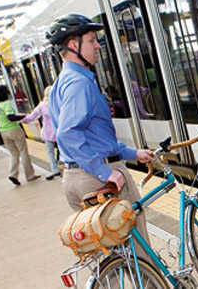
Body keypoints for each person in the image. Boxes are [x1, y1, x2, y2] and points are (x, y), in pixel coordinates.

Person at [46, 14, 154, 245]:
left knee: (107, 254)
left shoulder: (61, 83)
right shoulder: (79, 83)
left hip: (74, 177)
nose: (98, 45)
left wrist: (133, 153)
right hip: (97, 178)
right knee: (136, 249)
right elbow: (68, 133)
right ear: (74, 45)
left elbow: (93, 136)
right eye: (92, 40)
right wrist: (106, 173)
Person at [0, 85, 41, 186]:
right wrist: (24, 116)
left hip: (3, 132)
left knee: (14, 154)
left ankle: (13, 174)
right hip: (13, 130)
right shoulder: (6, 104)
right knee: (23, 152)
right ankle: (30, 175)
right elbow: (11, 117)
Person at [22, 86, 61, 180]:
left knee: (50, 151)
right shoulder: (58, 103)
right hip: (59, 130)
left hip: (48, 132)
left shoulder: (42, 105)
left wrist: (23, 120)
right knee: (64, 149)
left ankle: (54, 169)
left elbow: (32, 116)